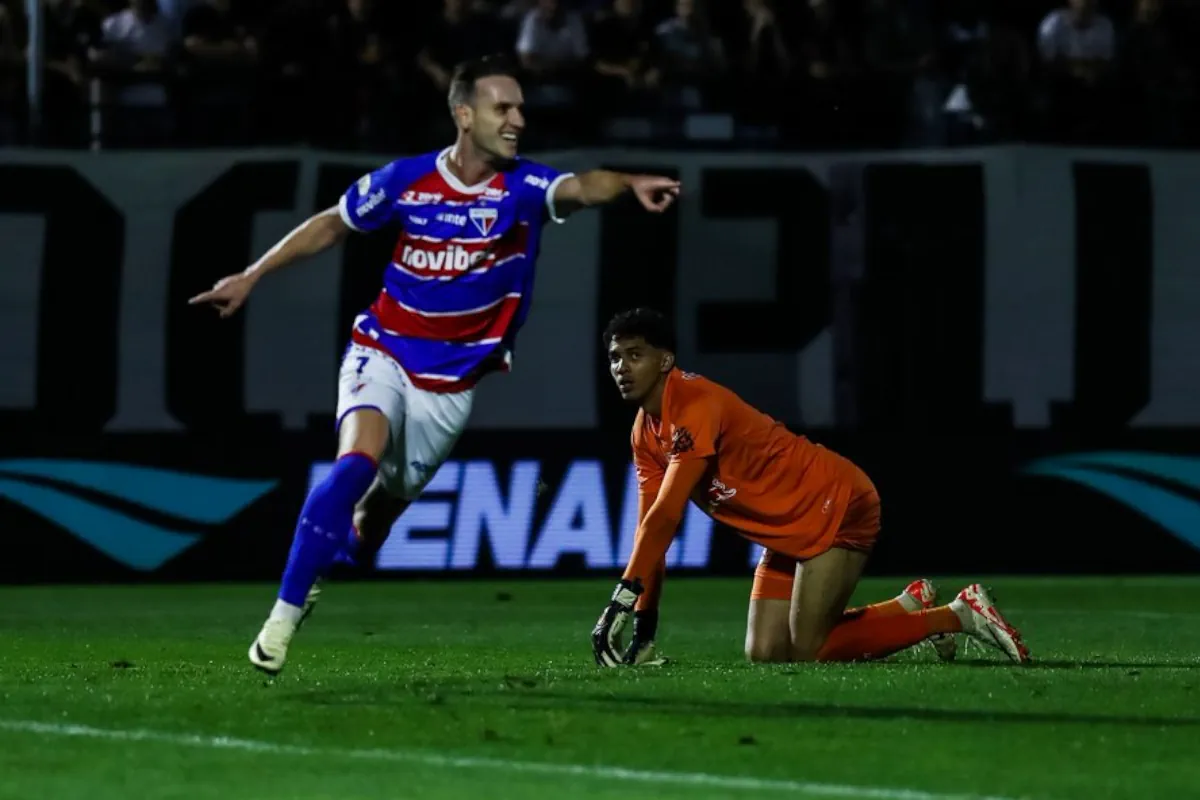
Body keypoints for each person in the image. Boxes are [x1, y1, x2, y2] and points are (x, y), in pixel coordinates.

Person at [189, 56, 681, 676]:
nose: (518, 120)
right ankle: (281, 621)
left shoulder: (522, 189)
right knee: (353, 463)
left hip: (447, 389)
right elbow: (333, 225)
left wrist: (629, 182)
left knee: (371, 527)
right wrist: (253, 275)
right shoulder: (407, 180)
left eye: (521, 108)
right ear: (464, 114)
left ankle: (341, 548)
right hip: (383, 349)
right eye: (504, 108)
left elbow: (582, 187)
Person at [590, 308, 1030, 667]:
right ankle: (905, 608)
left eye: (635, 355)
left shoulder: (693, 404)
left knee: (810, 649)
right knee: (765, 653)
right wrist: (643, 626)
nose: (621, 368)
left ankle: (956, 615)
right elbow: (653, 530)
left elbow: (668, 514)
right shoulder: (645, 433)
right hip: (785, 528)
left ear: (664, 361)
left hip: (834, 501)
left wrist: (621, 599)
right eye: (614, 357)